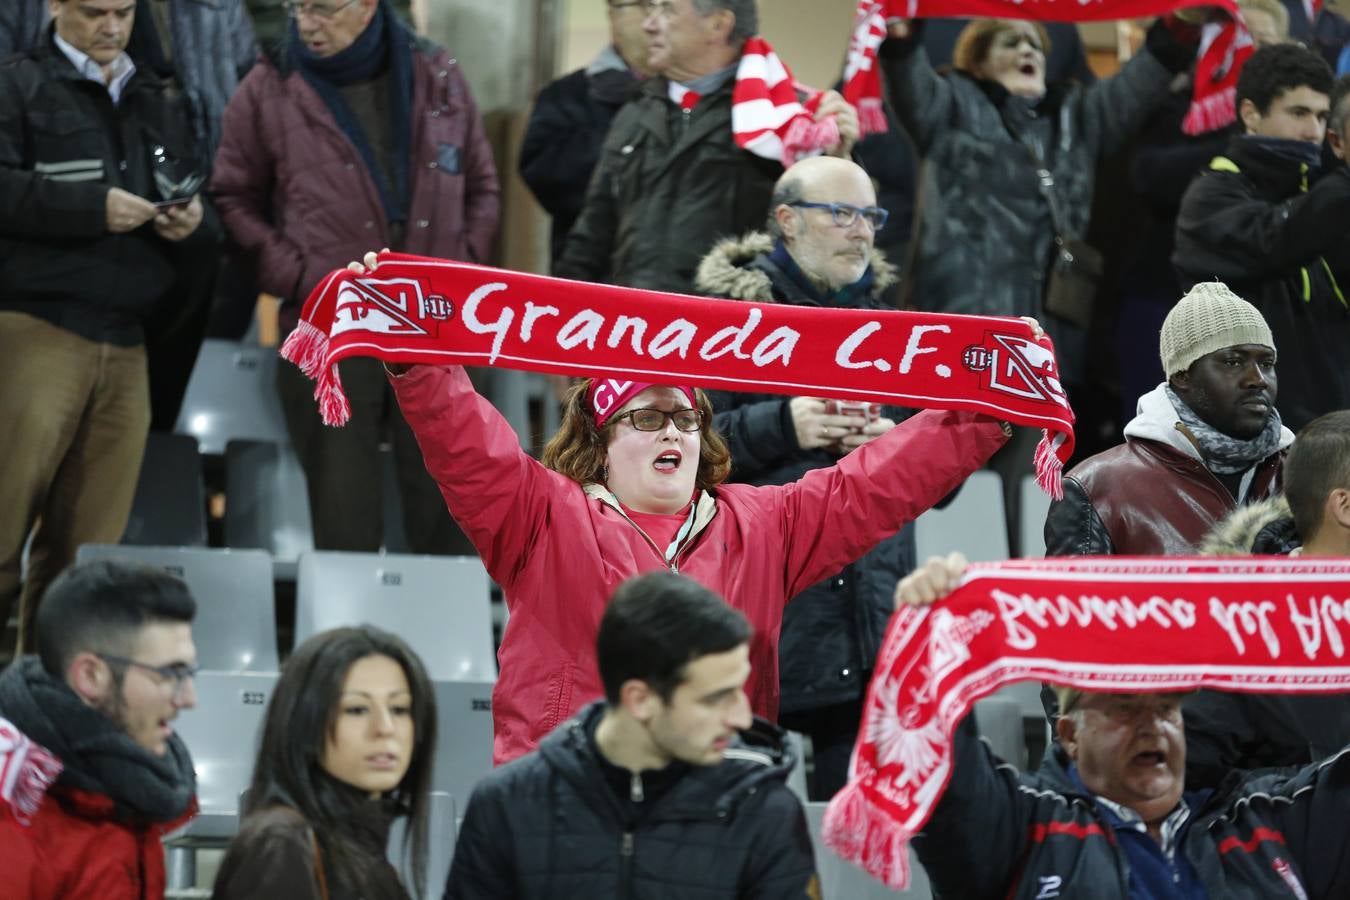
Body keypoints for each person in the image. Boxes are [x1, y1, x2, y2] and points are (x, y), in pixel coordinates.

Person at [362, 257, 1011, 763]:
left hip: (720, 798)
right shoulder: (542, 516)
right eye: (647, 417)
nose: (673, 432)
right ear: (602, 442)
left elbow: (874, 486)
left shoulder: (763, 523)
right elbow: (468, 447)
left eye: (687, 420)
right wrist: (416, 360)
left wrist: (987, 407)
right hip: (568, 794)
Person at [877, 14, 1199, 550]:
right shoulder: (949, 103)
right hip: (964, 344)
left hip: (1046, 349)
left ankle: (1025, 597)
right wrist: (902, 32)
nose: (1029, 50)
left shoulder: (1077, 114)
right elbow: (905, 74)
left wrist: (1179, 28)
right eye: (1011, 41)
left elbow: (1140, 80)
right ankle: (952, 591)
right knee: (952, 481)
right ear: (977, 58)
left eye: (1036, 44)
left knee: (1033, 485)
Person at [212, 0, 499, 555]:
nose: (305, 22)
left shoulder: (438, 73)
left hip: (438, 330)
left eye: (322, 8)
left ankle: (440, 641)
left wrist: (462, 265)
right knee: (345, 525)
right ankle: (345, 642)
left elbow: (482, 186)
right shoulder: (269, 83)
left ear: (368, 5)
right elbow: (231, 195)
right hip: (333, 334)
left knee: (451, 520)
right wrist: (298, 276)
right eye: (297, 7)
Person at [892, 553, 1350, 900]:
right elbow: (940, 766)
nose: (1153, 726)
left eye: (1167, 708)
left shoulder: (1263, 819)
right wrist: (928, 642)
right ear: (1070, 733)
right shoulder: (1023, 827)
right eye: (1125, 708)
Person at [0, 0, 219, 652]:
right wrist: (89, 208)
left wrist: (193, 224)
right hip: (36, 330)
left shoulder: (160, 97)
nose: (112, 26)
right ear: (54, 7)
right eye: (94, 11)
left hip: (129, 343)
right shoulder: (15, 85)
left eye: (123, 11)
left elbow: (193, 191)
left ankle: (51, 714)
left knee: (86, 560)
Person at [693, 155, 914, 799]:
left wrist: (898, 447)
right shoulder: (723, 322)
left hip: (876, 629)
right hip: (766, 630)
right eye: (840, 213)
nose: (861, 231)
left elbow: (945, 477)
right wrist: (786, 426)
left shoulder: (898, 330)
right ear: (787, 221)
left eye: (870, 215)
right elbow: (679, 454)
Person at [446, 572, 818, 899]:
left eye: (740, 688)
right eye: (715, 698)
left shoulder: (765, 811)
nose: (741, 717)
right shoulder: (506, 806)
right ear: (639, 700)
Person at [553, 0, 859, 294]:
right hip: (635, 322)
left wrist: (838, 160)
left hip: (731, 330)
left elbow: (832, 247)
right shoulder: (635, 111)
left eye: (666, 9)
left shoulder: (786, 120)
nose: (648, 24)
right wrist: (558, 310)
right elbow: (592, 235)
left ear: (718, 24)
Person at [1174, 42, 1350, 432]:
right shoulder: (1211, 198)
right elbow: (1277, 239)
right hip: (1241, 439)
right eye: (1299, 112)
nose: (1313, 131)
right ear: (1251, 114)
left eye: (1323, 117)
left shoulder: (1319, 197)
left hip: (1327, 434)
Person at [1044, 281, 1290, 556]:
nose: (1257, 380)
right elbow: (1076, 600)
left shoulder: (1304, 476)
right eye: (1233, 361)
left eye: (1266, 364)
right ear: (1182, 375)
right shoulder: (1097, 489)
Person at [0, 559, 199, 899]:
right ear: (91, 676)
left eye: (189, 674)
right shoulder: (14, 814)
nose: (188, 699)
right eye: (169, 674)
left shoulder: (128, 783)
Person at [211, 625, 436, 900]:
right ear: (305, 720)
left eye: (399, 709)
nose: (385, 728)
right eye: (356, 709)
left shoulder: (366, 848)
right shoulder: (280, 845)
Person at [520, 0, 650, 264]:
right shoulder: (567, 94)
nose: (652, 20)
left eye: (662, 6)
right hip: (592, 268)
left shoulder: (692, 94)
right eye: (640, 6)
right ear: (612, 15)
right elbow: (545, 177)